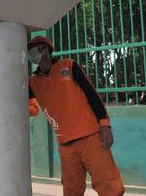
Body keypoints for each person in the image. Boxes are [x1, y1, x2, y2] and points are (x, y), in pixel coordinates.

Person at [27, 36, 125, 196]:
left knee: (109, 187)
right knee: (71, 191)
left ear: (44, 49)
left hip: (91, 137)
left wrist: (105, 124)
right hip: (66, 145)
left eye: (33, 48)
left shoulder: (69, 66)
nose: (30, 53)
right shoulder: (33, 82)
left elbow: (92, 94)